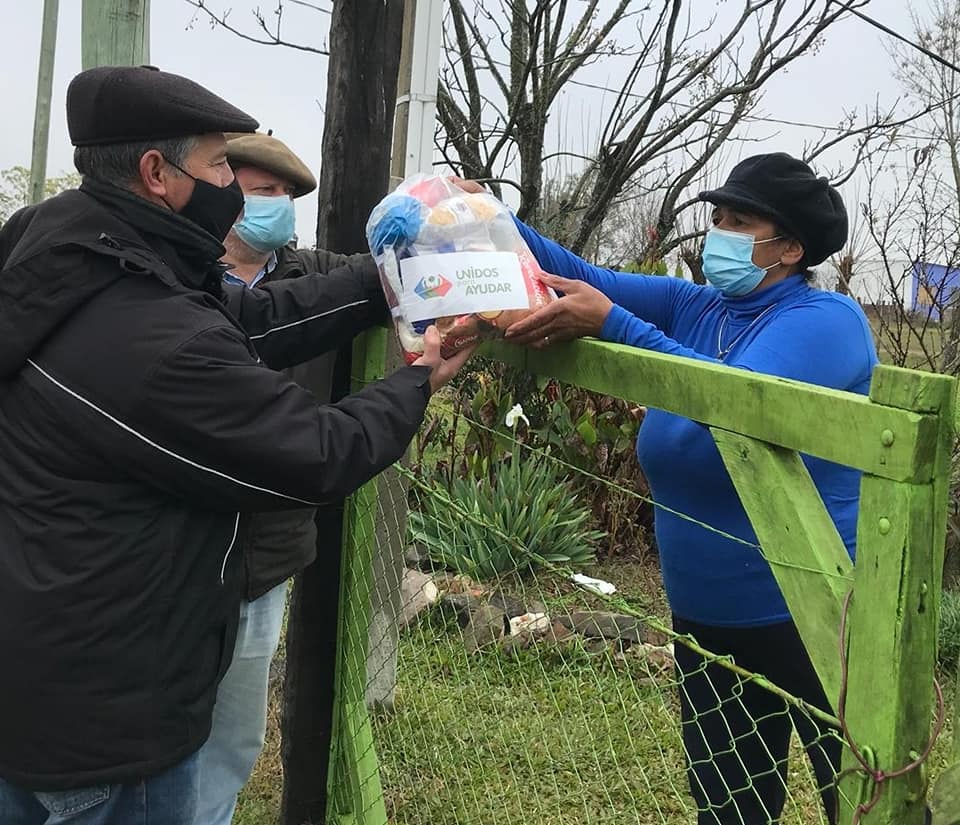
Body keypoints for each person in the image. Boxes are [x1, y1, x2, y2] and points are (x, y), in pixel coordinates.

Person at [0, 65, 471, 825]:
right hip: (113, 725)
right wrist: (417, 380)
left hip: (36, 663)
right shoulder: (155, 337)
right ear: (157, 173)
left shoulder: (63, 245)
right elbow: (315, 452)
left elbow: (250, 319)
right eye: (220, 164)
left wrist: (384, 277)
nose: (234, 185)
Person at [464, 154, 877, 824]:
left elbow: (736, 399)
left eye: (739, 222)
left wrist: (617, 325)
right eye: (718, 218)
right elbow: (586, 279)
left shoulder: (825, 321)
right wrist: (485, 215)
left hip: (816, 615)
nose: (719, 234)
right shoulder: (701, 307)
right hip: (708, 616)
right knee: (728, 805)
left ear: (791, 248)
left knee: (862, 798)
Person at [192, 130, 372, 825]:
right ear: (223, 192)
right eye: (261, 191)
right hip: (176, 541)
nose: (277, 205)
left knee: (236, 726)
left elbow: (393, 271)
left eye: (285, 195)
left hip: (266, 550)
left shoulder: (315, 275)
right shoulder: (180, 272)